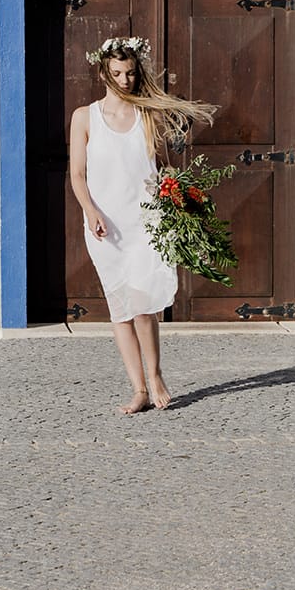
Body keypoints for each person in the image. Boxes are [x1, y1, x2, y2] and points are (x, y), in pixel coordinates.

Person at [69, 37, 215, 413]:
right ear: (103, 72)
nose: (125, 80)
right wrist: (89, 210)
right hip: (104, 226)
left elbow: (160, 167)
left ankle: (156, 375)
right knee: (119, 310)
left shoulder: (146, 116)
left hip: (144, 223)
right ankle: (139, 390)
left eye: (131, 73)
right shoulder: (84, 117)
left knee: (143, 307)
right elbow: (78, 174)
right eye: (117, 73)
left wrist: (177, 201)